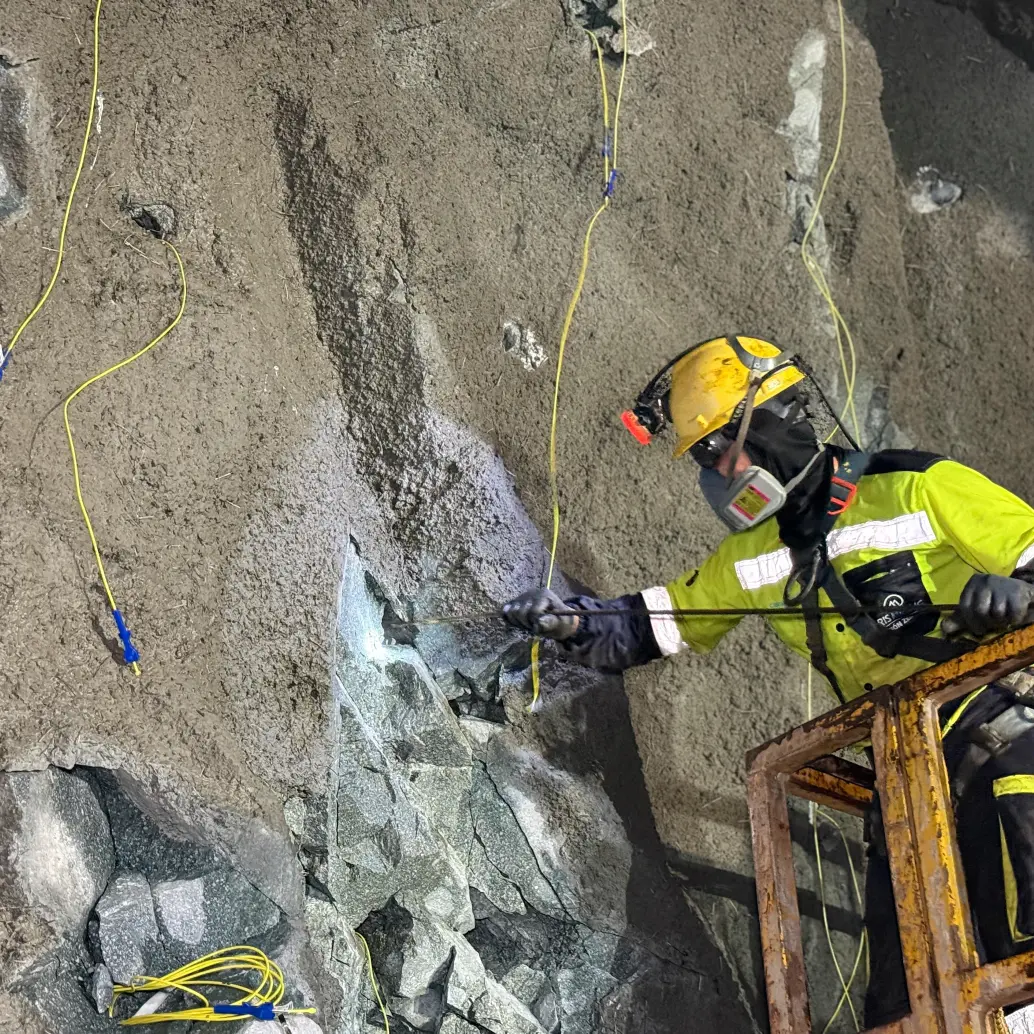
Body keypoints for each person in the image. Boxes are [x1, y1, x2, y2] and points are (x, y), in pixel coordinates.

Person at [502, 335, 1034, 1026]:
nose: (719, 472)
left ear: (782, 415)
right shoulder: (753, 558)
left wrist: (1016, 597)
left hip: (1005, 739)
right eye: (705, 458)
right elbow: (653, 626)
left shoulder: (919, 486)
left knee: (1021, 947)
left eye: (720, 446)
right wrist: (572, 622)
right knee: (910, 1002)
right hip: (903, 774)